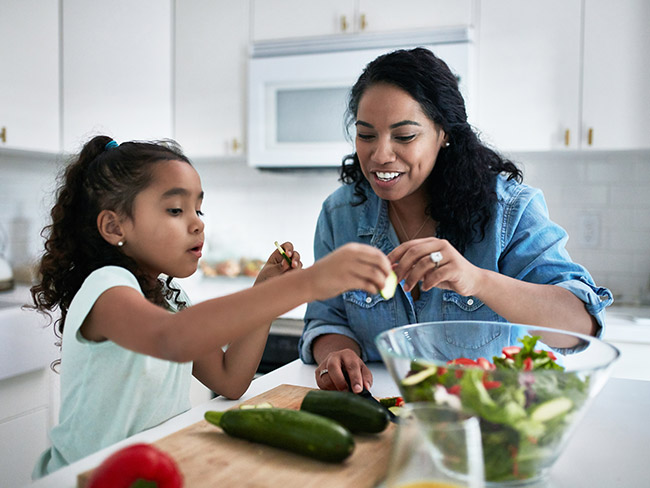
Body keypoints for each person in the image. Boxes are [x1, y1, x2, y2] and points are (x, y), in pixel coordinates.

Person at [30, 135, 393, 477]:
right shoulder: (107, 287)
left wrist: (265, 291)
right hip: (82, 477)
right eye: (175, 210)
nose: (197, 225)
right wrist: (308, 282)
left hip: (150, 466)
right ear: (114, 226)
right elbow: (171, 339)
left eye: (199, 211)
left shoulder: (171, 300)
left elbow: (230, 379)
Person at [298, 48, 613, 394]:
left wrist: (477, 280)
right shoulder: (339, 215)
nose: (380, 155)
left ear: (443, 133)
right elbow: (327, 318)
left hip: (489, 420)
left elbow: (580, 327)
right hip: (380, 416)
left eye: (404, 136)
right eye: (366, 135)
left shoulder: (508, 210)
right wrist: (338, 351)